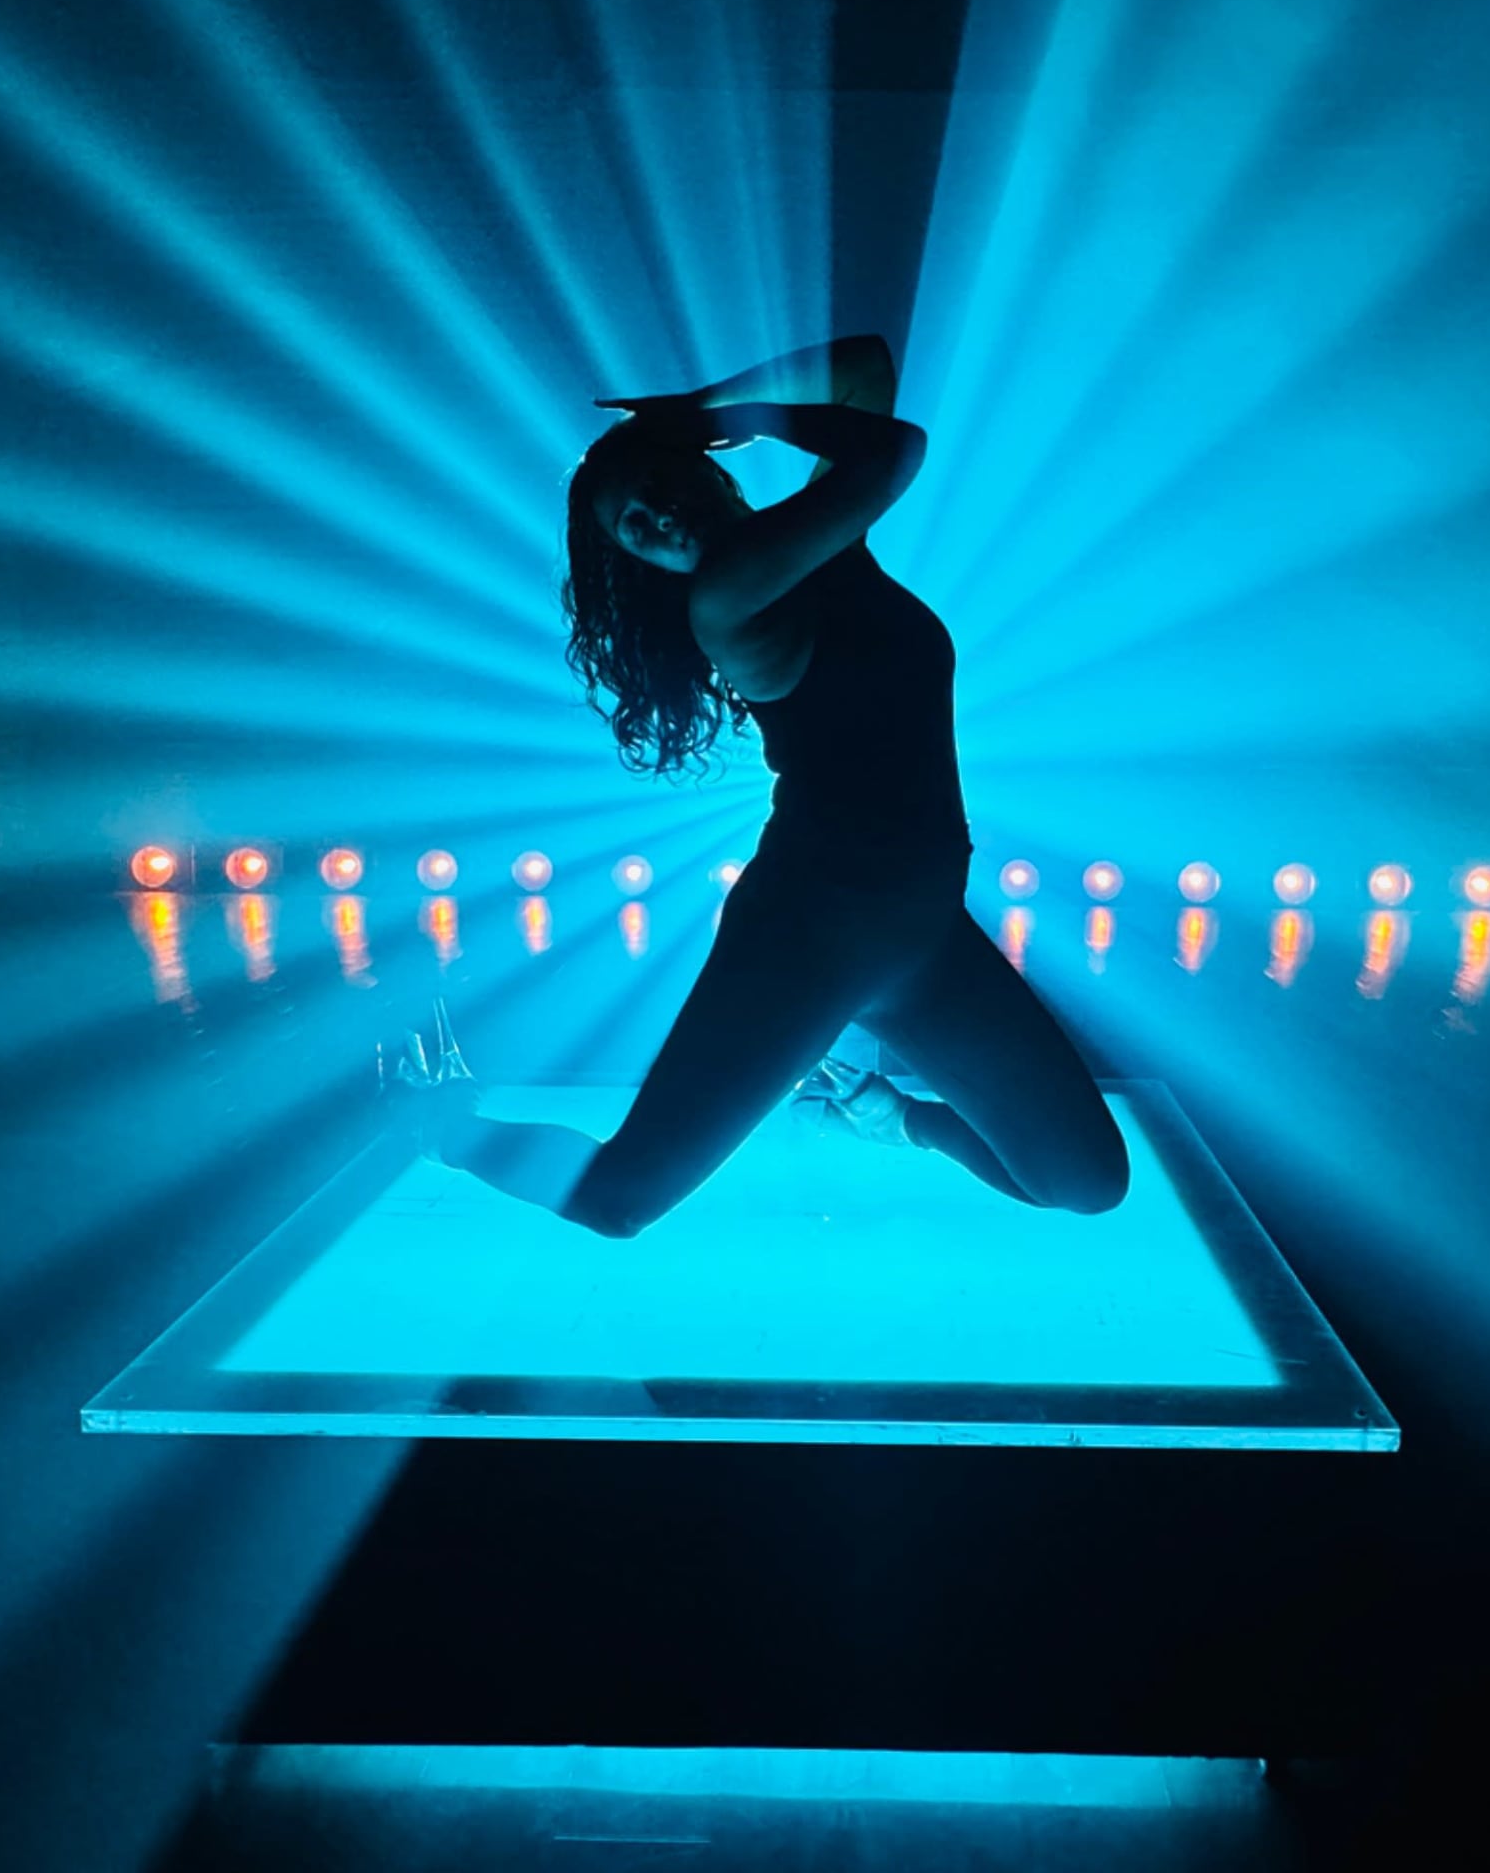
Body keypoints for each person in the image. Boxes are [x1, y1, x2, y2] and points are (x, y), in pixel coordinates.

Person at [378, 334, 1128, 1238]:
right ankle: (437, 1123)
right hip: (813, 929)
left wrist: (693, 410)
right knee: (620, 1200)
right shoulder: (730, 593)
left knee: (1083, 1183)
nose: (659, 518)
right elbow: (892, 449)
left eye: (658, 486)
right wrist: (714, 424)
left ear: (715, 475)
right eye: (636, 528)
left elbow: (861, 364)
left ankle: (887, 1118)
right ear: (643, 563)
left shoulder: (829, 550)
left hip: (923, 932)